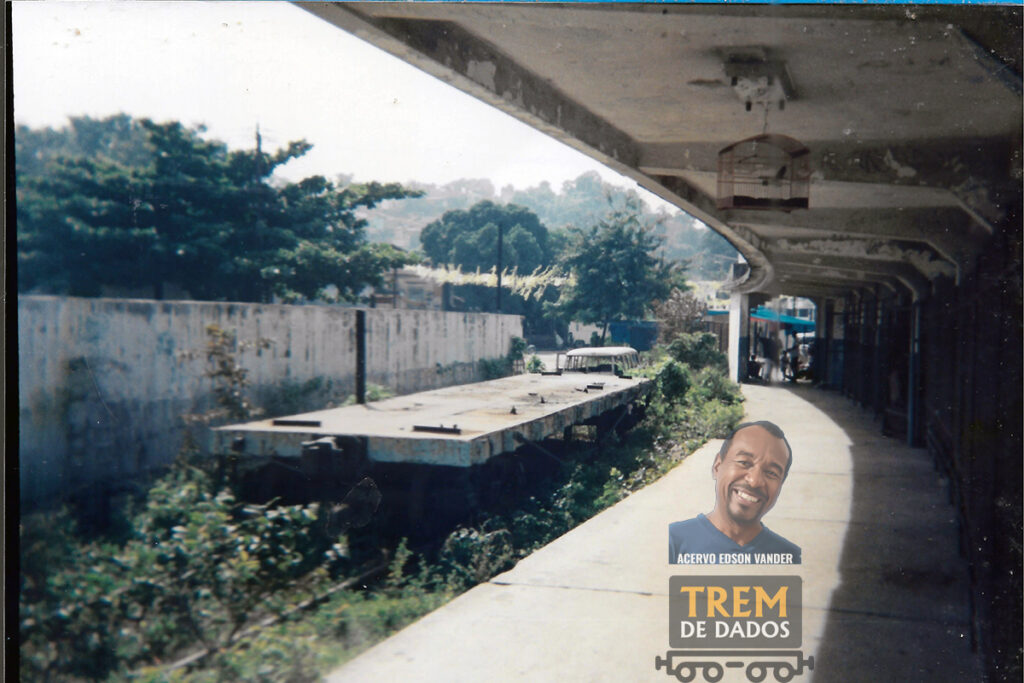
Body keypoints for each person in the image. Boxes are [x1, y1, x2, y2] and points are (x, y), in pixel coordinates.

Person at [669, 421, 801, 564]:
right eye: (744, 463)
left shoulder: (789, 557)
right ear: (717, 466)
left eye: (771, 473)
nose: (754, 481)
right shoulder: (674, 542)